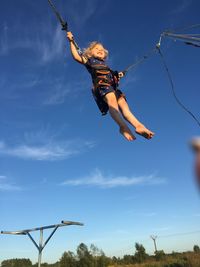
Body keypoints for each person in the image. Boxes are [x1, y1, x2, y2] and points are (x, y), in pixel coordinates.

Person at [67, 31, 154, 141]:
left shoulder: (107, 68)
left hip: (113, 88)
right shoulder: (89, 61)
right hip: (102, 86)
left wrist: (118, 75)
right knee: (113, 104)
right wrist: (71, 41)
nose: (100, 50)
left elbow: (113, 76)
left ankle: (139, 125)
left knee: (125, 107)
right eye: (97, 49)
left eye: (102, 50)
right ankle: (123, 127)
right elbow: (76, 56)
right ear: (89, 53)